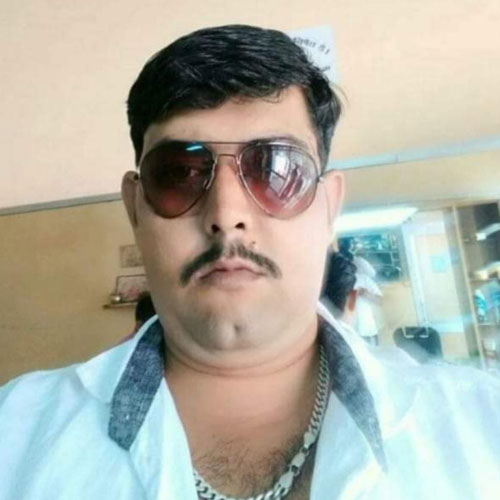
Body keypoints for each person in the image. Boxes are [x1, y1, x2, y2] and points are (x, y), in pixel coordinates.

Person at [1, 24, 500, 500]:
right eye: (180, 174)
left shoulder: (481, 428)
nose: (226, 215)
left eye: (276, 168)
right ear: (135, 208)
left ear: (329, 207)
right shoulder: (17, 434)